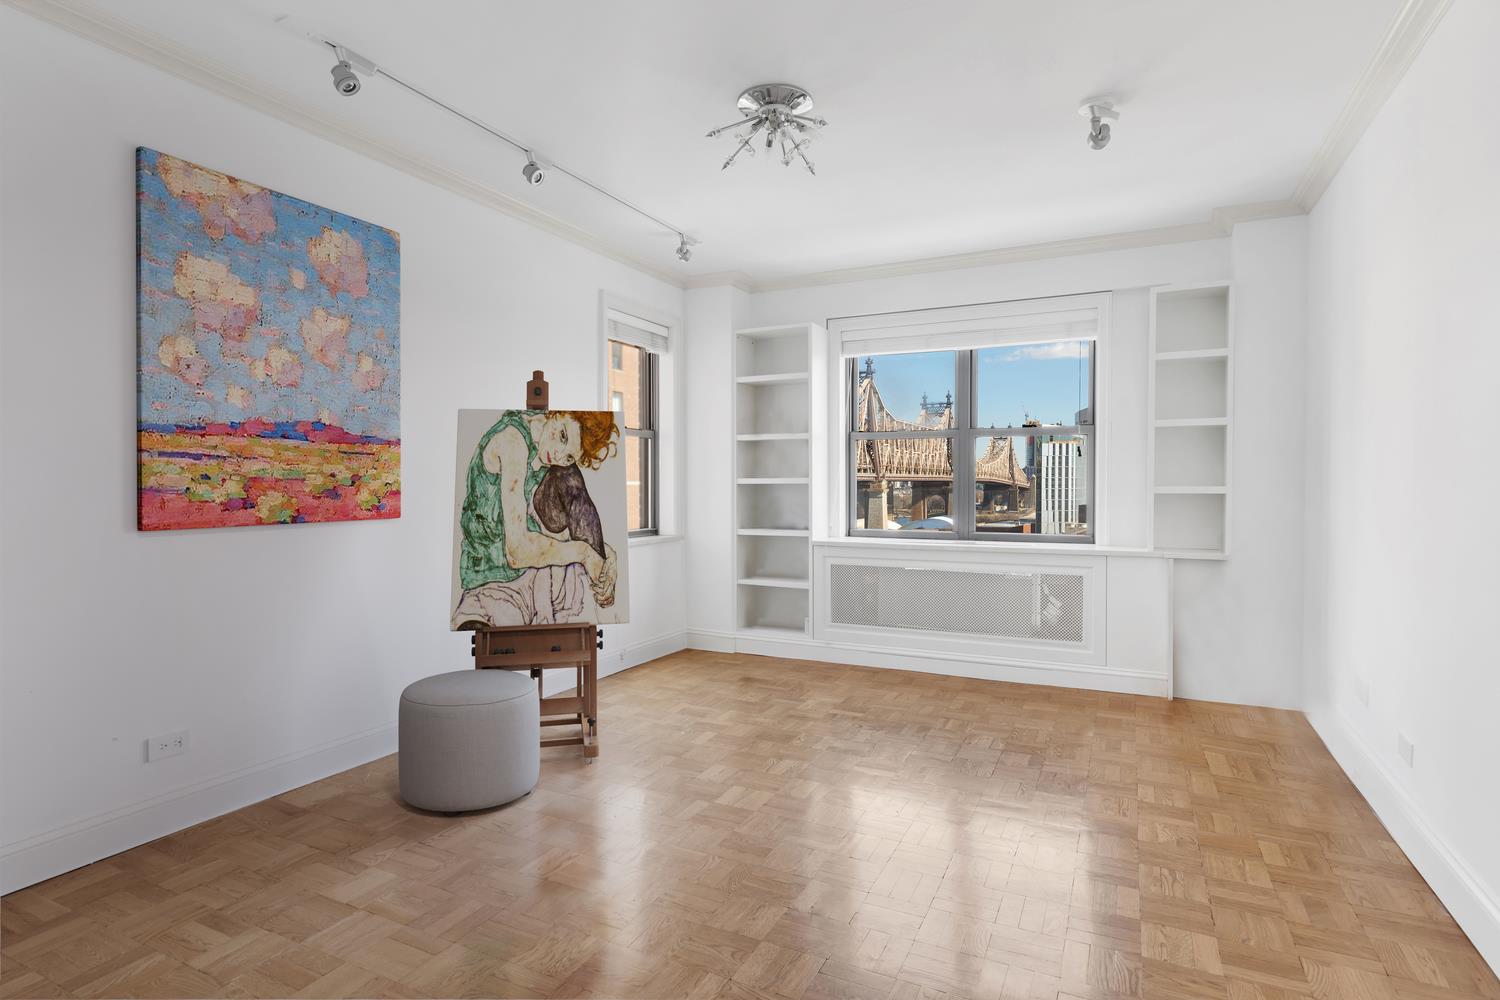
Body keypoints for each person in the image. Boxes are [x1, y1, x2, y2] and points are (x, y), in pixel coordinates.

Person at [452, 409, 619, 628]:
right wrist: (585, 553)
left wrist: (606, 558)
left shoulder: (543, 451)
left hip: (535, 576)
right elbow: (517, 552)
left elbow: (556, 533)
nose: (558, 455)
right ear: (556, 414)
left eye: (569, 456)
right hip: (493, 580)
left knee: (569, 475)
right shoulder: (512, 441)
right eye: (563, 436)